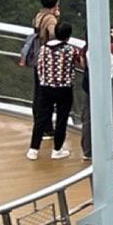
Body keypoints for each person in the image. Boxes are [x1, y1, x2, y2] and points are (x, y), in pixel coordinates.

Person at [28, 18, 83, 160]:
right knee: (61, 119)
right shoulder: (71, 50)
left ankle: (33, 149)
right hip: (64, 89)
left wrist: (44, 80)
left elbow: (39, 66)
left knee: (41, 118)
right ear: (68, 36)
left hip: (46, 88)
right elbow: (81, 63)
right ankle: (57, 149)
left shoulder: (44, 48)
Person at [79, 27, 113, 157]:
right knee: (108, 117)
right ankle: (109, 149)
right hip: (106, 87)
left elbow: (82, 65)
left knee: (88, 117)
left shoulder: (85, 50)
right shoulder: (109, 48)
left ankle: (88, 151)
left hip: (90, 86)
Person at [18, 0, 61, 72]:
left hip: (37, 51)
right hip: (46, 54)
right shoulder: (50, 19)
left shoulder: (39, 15)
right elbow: (53, 34)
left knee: (38, 76)